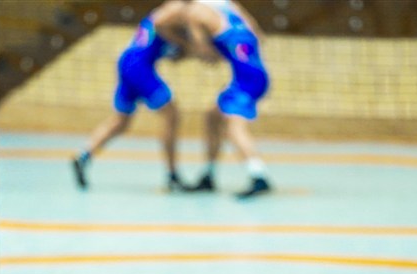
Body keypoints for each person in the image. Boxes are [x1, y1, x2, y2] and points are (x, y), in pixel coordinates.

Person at [71, 1, 194, 192]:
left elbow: (163, 43)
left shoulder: (174, 12)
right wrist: (184, 43)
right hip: (139, 67)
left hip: (128, 62)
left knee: (121, 121)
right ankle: (172, 175)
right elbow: (159, 25)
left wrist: (180, 48)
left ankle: (83, 157)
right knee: (172, 115)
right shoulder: (178, 7)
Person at [182, 0, 273, 199]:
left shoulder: (194, 12)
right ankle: (208, 174)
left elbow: (204, 53)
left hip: (245, 81)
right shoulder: (228, 4)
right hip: (255, 74)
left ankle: (258, 176)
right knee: (212, 116)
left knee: (234, 127)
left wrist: (181, 49)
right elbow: (258, 36)